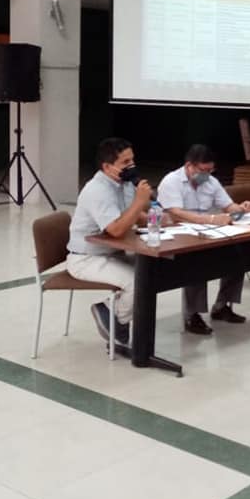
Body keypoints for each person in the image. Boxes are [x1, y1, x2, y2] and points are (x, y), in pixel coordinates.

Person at [157, 144, 250, 335]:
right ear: (189, 166)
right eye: (203, 170)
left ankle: (222, 306)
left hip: (207, 233)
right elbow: (176, 214)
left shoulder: (211, 181)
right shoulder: (171, 181)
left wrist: (241, 208)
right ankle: (192, 315)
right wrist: (210, 219)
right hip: (178, 236)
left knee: (237, 255)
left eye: (211, 170)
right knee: (197, 262)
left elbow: (228, 206)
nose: (207, 175)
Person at [67, 137, 151, 348]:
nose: (131, 166)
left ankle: (123, 320)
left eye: (132, 160)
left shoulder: (124, 184)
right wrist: (140, 202)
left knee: (151, 272)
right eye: (125, 162)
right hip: (87, 258)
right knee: (138, 282)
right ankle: (111, 313)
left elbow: (131, 213)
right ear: (107, 167)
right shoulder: (97, 190)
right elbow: (116, 229)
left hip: (113, 252)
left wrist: (154, 217)